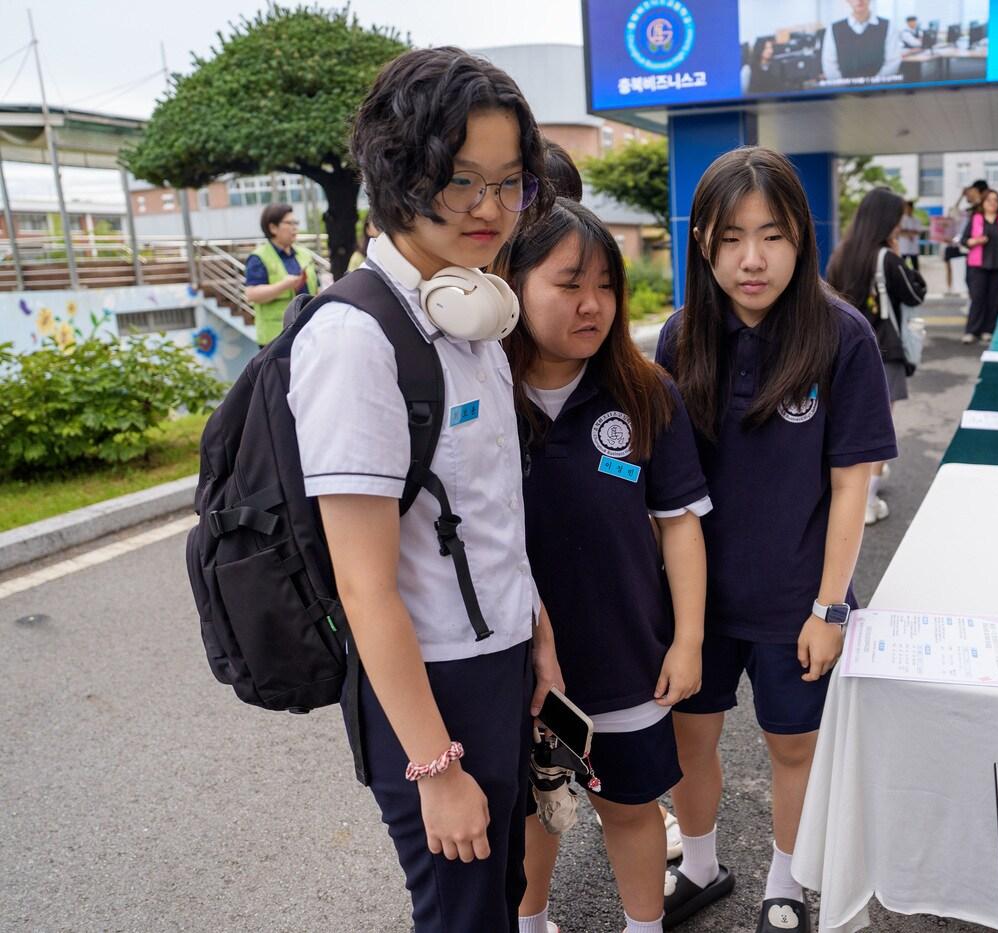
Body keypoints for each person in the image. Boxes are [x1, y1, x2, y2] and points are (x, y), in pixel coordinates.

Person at [288, 47, 559, 931]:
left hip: (497, 660)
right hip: (430, 690)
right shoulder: (358, 339)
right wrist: (437, 770)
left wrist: (533, 629)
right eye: (460, 181)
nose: (491, 209)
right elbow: (364, 584)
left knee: (503, 894)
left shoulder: (468, 307)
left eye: (510, 181)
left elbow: (482, 513)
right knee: (463, 915)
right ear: (401, 174)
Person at [655, 147, 897, 933]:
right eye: (729, 238)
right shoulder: (682, 336)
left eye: (772, 235)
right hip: (699, 600)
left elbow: (852, 482)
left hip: (799, 597)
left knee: (794, 750)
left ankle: (786, 881)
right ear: (702, 243)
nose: (751, 259)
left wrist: (829, 605)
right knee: (691, 740)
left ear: (802, 237)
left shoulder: (842, 335)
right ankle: (699, 864)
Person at [499, 199, 709, 933]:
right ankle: (529, 922)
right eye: (567, 284)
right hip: (511, 661)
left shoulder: (646, 392)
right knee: (531, 806)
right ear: (514, 283)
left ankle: (643, 926)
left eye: (606, 285)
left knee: (629, 806)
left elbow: (679, 525)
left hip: (625, 652)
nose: (592, 305)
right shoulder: (479, 391)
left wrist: (687, 641)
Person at [827, 186, 926, 525]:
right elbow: (916, 294)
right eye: (898, 219)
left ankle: (856, 498)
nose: (900, 225)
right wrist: (901, 257)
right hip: (884, 350)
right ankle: (865, 504)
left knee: (852, 428)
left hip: (845, 350)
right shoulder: (886, 257)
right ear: (887, 220)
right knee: (877, 432)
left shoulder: (841, 254)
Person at [245, 203, 321, 346]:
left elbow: (316, 289)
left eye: (296, 223)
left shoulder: (304, 254)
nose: (295, 227)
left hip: (308, 333)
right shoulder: (259, 257)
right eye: (289, 223)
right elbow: (252, 294)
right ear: (273, 227)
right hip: (275, 340)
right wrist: (284, 285)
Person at [958, 188, 998, 344]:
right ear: (983, 203)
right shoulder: (975, 218)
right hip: (978, 266)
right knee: (977, 298)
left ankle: (988, 330)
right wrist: (976, 241)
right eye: (989, 200)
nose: (992, 203)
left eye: (995, 200)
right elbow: (964, 240)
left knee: (995, 299)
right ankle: (972, 330)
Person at [821, 0, 901, 81]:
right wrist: (842, 86)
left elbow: (892, 61)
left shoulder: (888, 26)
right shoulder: (834, 29)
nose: (859, 0)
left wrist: (875, 84)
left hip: (879, 89)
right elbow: (830, 64)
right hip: (842, 90)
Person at [897, 199, 923, 271]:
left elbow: (918, 232)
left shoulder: (917, 220)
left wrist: (906, 231)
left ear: (912, 208)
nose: (907, 210)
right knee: (901, 267)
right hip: (903, 247)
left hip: (913, 247)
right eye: (906, 208)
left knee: (916, 268)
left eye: (909, 208)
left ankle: (916, 281)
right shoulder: (900, 219)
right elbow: (899, 232)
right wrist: (910, 232)